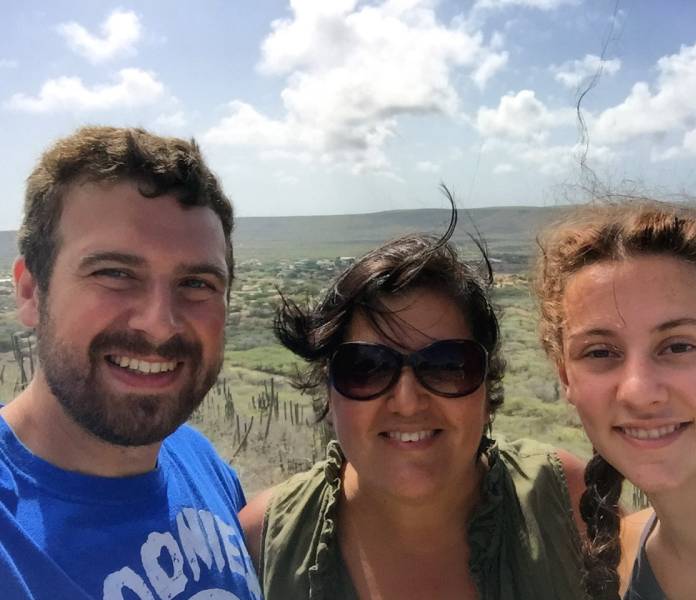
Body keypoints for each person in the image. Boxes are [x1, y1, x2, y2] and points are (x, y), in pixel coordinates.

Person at [238, 200, 589, 600]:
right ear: (328, 387)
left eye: (446, 365)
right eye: (367, 367)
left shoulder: (564, 503)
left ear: (486, 386)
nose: (407, 401)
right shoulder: (262, 544)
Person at [0, 126, 261, 599]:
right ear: (31, 291)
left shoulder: (197, 459)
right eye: (115, 273)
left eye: (198, 283)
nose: (160, 325)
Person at [533, 201, 696, 600]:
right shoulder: (615, 562)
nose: (638, 390)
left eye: (678, 346)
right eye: (600, 353)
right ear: (566, 378)